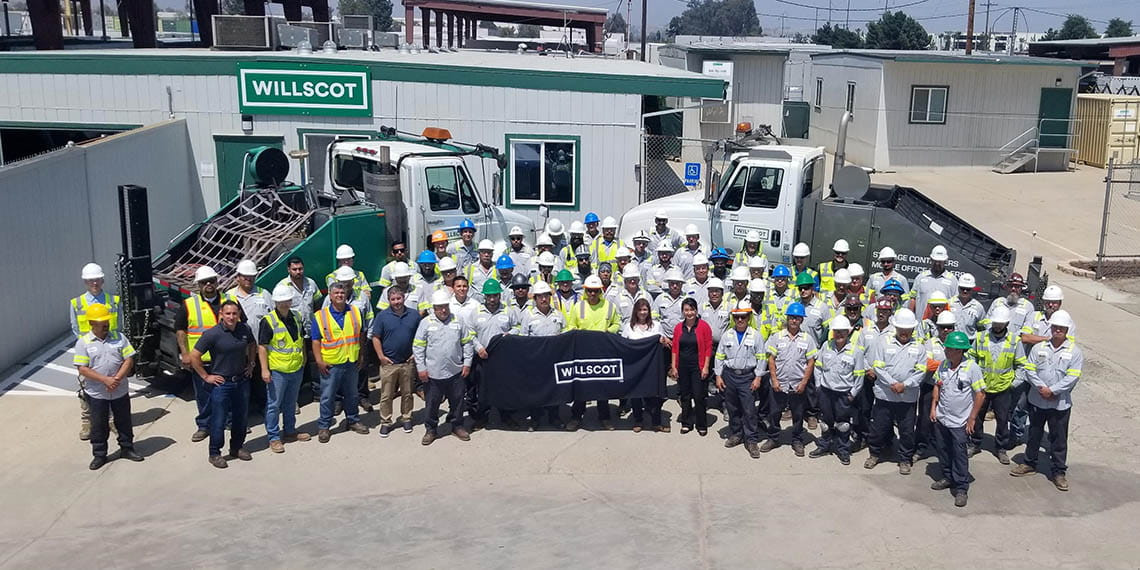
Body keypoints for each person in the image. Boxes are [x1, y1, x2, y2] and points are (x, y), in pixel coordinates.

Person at [1011, 310, 1081, 492]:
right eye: (1055, 327)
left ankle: (1058, 472)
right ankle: (1029, 464)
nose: (1058, 330)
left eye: (1061, 328)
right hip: (1038, 399)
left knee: (1058, 439)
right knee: (1034, 434)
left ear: (1067, 330)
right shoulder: (1039, 348)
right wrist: (1042, 388)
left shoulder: (1074, 352)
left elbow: (1073, 377)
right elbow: (1029, 369)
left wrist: (1054, 391)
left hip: (1060, 404)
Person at [73, 303, 143, 470]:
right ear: (92, 324)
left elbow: (129, 360)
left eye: (107, 321)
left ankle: (127, 448)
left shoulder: (119, 338)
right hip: (97, 393)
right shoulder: (84, 343)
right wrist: (105, 380)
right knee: (99, 425)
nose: (106, 325)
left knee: (124, 421)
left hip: (119, 391)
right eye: (101, 323)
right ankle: (99, 454)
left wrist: (116, 378)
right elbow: (82, 368)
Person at [190, 300, 256, 469]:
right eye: (228, 313)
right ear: (221, 314)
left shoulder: (244, 329)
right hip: (221, 384)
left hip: (241, 381)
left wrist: (251, 363)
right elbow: (194, 356)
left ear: (239, 314)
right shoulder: (212, 334)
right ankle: (214, 453)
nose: (231, 317)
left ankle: (236, 448)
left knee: (240, 418)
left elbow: (252, 344)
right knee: (218, 420)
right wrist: (206, 377)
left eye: (234, 313)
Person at [967, 305, 1032, 464]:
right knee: (978, 417)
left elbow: (1021, 365)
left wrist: (1013, 383)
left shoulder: (1014, 341)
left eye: (1000, 323)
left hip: (1003, 388)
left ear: (1006, 323)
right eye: (995, 323)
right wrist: (974, 380)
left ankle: (1000, 448)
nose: (997, 326)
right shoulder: (981, 337)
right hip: (982, 387)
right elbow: (971, 358)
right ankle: (975, 443)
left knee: (1003, 419)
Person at [864, 308, 925, 475]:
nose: (904, 332)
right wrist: (892, 383)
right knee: (879, 428)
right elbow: (878, 366)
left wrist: (905, 384)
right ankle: (875, 454)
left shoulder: (919, 347)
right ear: (896, 328)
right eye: (901, 329)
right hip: (885, 395)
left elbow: (921, 371)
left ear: (913, 329)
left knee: (906, 431)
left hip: (907, 398)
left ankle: (905, 459)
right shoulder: (883, 342)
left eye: (908, 329)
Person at [929, 331, 986, 508]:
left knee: (959, 453)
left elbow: (980, 394)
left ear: (960, 351)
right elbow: (937, 386)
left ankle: (961, 487)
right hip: (942, 417)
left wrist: (972, 418)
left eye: (950, 349)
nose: (946, 351)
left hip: (960, 422)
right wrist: (933, 407)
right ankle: (947, 477)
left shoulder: (972, 368)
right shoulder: (944, 365)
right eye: (946, 348)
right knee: (943, 449)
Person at [414, 290, 476, 445]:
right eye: (439, 307)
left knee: (458, 401)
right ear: (433, 308)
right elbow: (418, 347)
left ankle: (457, 426)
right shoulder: (425, 323)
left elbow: (467, 342)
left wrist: (467, 363)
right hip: (433, 374)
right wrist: (421, 368)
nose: (443, 310)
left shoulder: (458, 320)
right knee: (432, 403)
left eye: (445, 306)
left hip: (455, 371)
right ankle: (431, 429)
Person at [312, 282, 371, 443]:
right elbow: (316, 341)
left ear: (346, 295)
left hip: (351, 361)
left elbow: (361, 335)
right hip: (330, 364)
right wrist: (319, 360)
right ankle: (324, 426)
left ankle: (353, 420)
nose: (339, 295)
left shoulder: (355, 312)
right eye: (336, 293)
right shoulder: (320, 316)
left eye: (342, 293)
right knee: (327, 396)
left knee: (352, 393)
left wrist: (361, 356)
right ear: (330, 296)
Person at [70, 262, 122, 441]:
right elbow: (75, 328)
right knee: (86, 388)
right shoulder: (77, 303)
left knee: (113, 384)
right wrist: (87, 347)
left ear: (102, 280)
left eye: (97, 280)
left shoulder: (113, 301)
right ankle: (87, 421)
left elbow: (119, 326)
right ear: (85, 282)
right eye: (91, 280)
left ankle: (112, 420)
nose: (94, 283)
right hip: (88, 349)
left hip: (111, 347)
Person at [258, 285, 310, 454]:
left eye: (287, 301)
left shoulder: (296, 316)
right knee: (274, 405)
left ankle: (290, 431)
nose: (284, 304)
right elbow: (262, 347)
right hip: (278, 371)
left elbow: (300, 340)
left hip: (296, 368)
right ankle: (273, 437)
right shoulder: (268, 321)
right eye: (281, 302)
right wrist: (264, 370)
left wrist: (304, 357)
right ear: (275, 302)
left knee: (290, 402)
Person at [566, 275, 622, 430]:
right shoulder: (578, 306)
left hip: (602, 352)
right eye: (589, 291)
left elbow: (617, 323)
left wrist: (608, 330)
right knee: (581, 385)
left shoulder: (609, 306)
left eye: (595, 291)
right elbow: (571, 326)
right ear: (585, 291)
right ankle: (576, 416)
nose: (592, 294)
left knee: (602, 385)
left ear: (600, 291)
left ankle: (604, 417)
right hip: (583, 353)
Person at [763, 302, 818, 455]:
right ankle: (773, 438)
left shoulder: (807, 339)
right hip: (778, 384)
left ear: (802, 320)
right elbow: (771, 360)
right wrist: (774, 380)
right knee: (774, 413)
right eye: (792, 317)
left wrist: (804, 383)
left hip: (797, 385)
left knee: (798, 414)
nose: (794, 321)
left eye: (798, 318)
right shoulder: (777, 337)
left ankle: (797, 440)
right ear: (787, 318)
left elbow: (810, 362)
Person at [809, 315, 865, 465]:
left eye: (842, 332)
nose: (839, 334)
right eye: (836, 331)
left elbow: (859, 376)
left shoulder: (855, 351)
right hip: (826, 392)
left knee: (843, 424)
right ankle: (824, 446)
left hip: (844, 394)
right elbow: (818, 367)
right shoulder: (826, 346)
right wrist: (819, 386)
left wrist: (853, 394)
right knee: (825, 422)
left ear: (848, 332)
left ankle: (843, 450)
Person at [176, 266, 223, 443]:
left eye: (212, 280)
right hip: (201, 360)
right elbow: (180, 330)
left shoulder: (229, 300)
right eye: (204, 282)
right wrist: (185, 353)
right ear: (199, 285)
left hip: (225, 359)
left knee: (228, 393)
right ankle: (204, 426)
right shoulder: (189, 304)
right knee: (203, 395)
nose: (209, 284)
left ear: (217, 282)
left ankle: (228, 421)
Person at [716, 301, 767, 458]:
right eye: (737, 317)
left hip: (747, 377)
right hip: (730, 376)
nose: (739, 320)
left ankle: (751, 440)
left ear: (748, 317)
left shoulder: (756, 335)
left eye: (743, 317)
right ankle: (736, 434)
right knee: (732, 408)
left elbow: (762, 357)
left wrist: (758, 377)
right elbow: (719, 356)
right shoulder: (727, 335)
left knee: (749, 410)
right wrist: (718, 375)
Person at [466, 279, 520, 429]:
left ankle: (506, 416)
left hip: (503, 358)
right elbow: (470, 333)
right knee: (482, 388)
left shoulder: (508, 310)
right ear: (484, 296)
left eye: (495, 295)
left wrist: (510, 334)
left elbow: (518, 326)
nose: (492, 299)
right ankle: (481, 417)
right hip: (482, 357)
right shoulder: (476, 312)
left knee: (504, 387)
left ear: (499, 295)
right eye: (489, 296)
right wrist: (478, 348)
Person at [370, 285, 422, 438]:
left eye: (398, 298)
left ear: (404, 297)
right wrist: (380, 357)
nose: (396, 302)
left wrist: (415, 353)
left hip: (408, 362)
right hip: (389, 364)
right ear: (388, 300)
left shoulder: (414, 315)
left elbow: (420, 336)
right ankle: (386, 422)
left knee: (407, 393)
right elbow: (375, 337)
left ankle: (406, 418)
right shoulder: (382, 316)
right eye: (393, 299)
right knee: (386, 395)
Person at [519, 281, 568, 430]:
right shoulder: (528, 316)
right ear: (535, 299)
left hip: (554, 359)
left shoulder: (558, 314)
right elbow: (523, 338)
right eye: (539, 296)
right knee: (535, 390)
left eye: (546, 296)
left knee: (554, 389)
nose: (543, 299)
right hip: (536, 360)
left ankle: (554, 417)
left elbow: (565, 334)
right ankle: (535, 419)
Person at [914, 310, 957, 462]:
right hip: (930, 386)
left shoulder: (959, 342)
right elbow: (928, 364)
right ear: (937, 328)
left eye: (949, 327)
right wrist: (949, 364)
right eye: (943, 327)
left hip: (950, 390)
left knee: (946, 420)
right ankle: (920, 447)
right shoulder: (930, 343)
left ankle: (942, 448)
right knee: (925, 420)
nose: (946, 330)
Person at [622, 298, 667, 432]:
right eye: (640, 309)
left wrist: (662, 340)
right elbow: (624, 344)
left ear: (649, 311)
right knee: (636, 395)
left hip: (652, 366)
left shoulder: (656, 326)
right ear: (635, 311)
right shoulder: (629, 327)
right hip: (635, 366)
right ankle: (638, 420)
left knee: (654, 395)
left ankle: (656, 422)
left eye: (645, 309)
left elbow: (663, 341)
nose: (642, 312)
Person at [672, 298, 713, 435]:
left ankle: (701, 424)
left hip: (698, 365)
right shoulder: (678, 327)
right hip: (683, 365)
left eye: (691, 309)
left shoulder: (704, 326)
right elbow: (675, 349)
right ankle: (686, 422)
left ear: (696, 310)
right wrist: (674, 366)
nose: (689, 313)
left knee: (699, 395)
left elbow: (708, 348)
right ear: (683, 311)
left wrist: (706, 367)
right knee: (685, 395)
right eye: (686, 310)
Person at [910, 245, 957, 319]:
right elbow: (913, 299)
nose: (937, 264)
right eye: (935, 261)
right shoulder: (921, 277)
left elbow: (956, 304)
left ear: (945, 261)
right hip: (921, 324)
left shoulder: (952, 280)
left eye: (940, 261)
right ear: (930, 260)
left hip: (942, 325)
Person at [951, 273, 986, 340]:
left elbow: (982, 329)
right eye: (962, 288)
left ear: (972, 289)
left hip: (969, 344)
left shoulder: (978, 307)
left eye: (968, 289)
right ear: (958, 288)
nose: (965, 291)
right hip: (951, 343)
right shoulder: (950, 303)